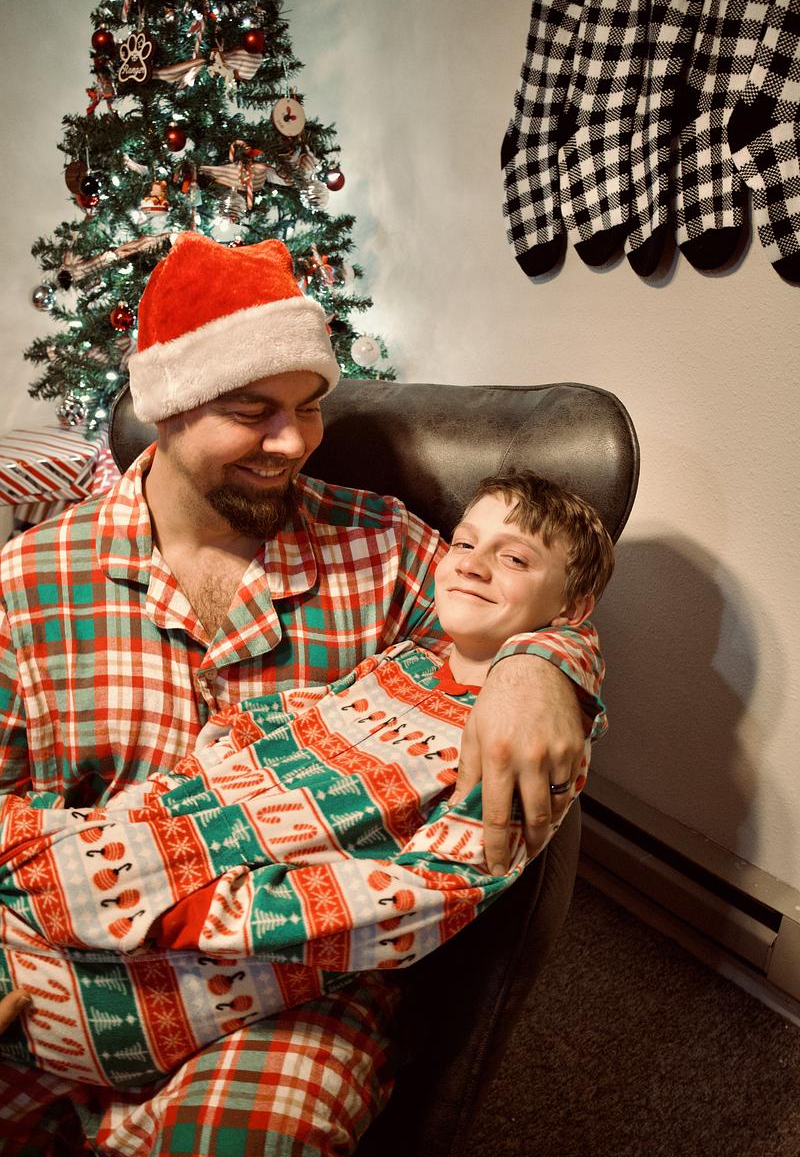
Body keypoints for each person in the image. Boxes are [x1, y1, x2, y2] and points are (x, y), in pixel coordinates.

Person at [0, 233, 604, 1156]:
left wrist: (544, 667)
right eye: (252, 412)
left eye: (310, 407)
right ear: (165, 409)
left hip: (292, 995)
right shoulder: (27, 584)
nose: (292, 442)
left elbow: (528, 605)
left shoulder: (388, 548)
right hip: (59, 957)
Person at [0, 471, 614, 1089]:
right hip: (161, 831)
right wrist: (220, 748)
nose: (472, 565)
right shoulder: (401, 662)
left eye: (514, 558)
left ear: (572, 609)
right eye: (463, 543)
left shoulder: (524, 747)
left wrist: (213, 913)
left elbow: (429, 893)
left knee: (57, 929)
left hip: (214, 935)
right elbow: (299, 714)